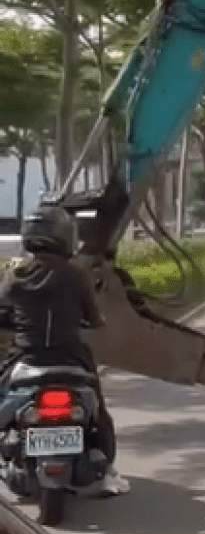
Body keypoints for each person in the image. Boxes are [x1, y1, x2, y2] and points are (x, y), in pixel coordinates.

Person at [0, 206, 128, 497]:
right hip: (71, 358)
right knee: (98, 411)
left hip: (27, 358)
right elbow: (95, 320)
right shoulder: (76, 276)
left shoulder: (16, 275)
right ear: (65, 237)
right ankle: (106, 467)